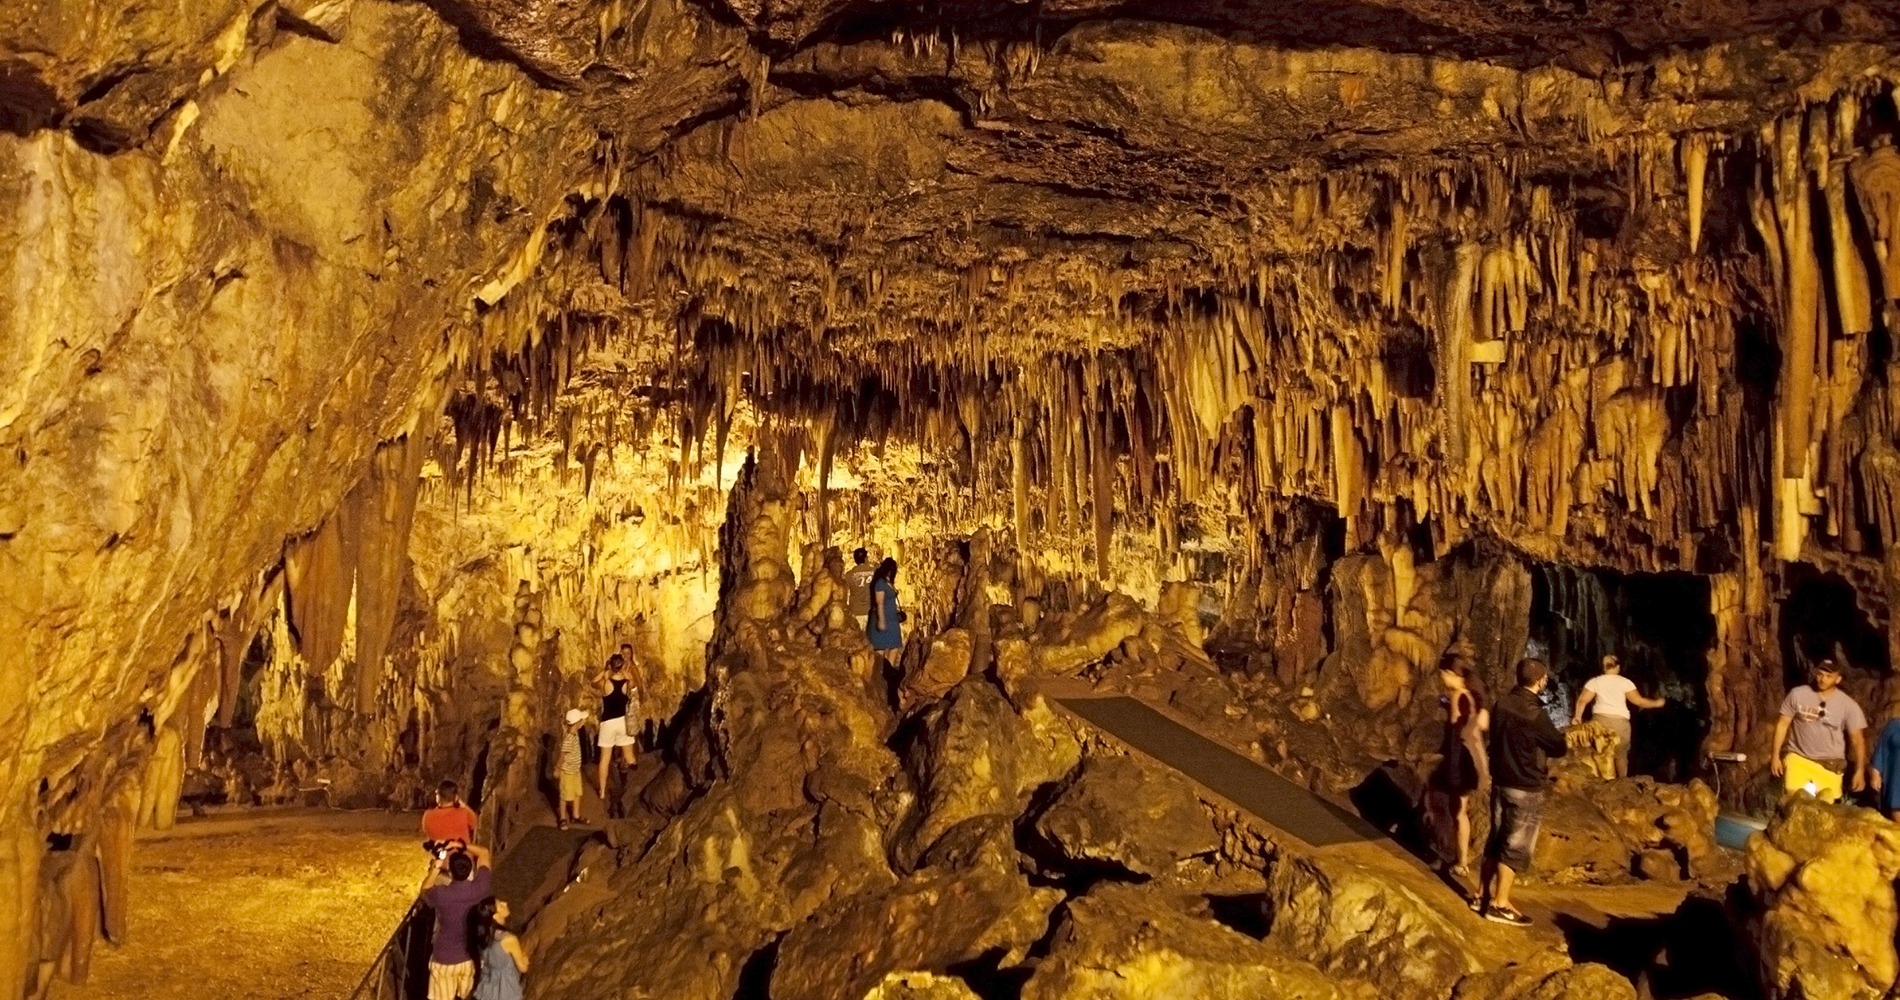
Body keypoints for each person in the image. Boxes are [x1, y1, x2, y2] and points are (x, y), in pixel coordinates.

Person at [1478, 658, 1568, 927]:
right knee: (1515, 846)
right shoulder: (1534, 713)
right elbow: (1557, 746)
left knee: (1496, 839)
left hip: (1501, 781)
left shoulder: (1501, 703)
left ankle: (1480, 894)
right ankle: (1500, 904)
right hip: (1525, 785)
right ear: (1540, 681)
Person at [1771, 659, 1869, 803]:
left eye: (1829, 676)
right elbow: (1782, 724)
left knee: (1826, 810)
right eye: (1820, 674)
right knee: (1793, 803)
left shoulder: (1848, 705)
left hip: (1830, 764)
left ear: (1838, 679)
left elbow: (1857, 740)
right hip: (1799, 759)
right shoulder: (1797, 694)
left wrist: (1860, 771)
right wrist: (1775, 756)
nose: (1823, 679)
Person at [1429, 654, 1489, 879]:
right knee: (1460, 811)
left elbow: (1455, 731)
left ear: (1452, 675)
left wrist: (1449, 767)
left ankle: (1446, 853)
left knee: (1444, 805)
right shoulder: (1475, 698)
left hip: (1459, 760)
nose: (1442, 678)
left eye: (1444, 674)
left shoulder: (1458, 697)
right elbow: (1480, 726)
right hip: (1472, 760)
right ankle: (1461, 861)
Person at [1570, 655, 1667, 778]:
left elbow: (1582, 700)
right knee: (1620, 755)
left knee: (1600, 752)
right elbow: (1639, 701)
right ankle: (1622, 781)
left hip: (1600, 721)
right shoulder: (1625, 682)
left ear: (1603, 667)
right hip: (1620, 723)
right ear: (1618, 666)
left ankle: (1600, 780)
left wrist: (1577, 717)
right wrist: (1657, 703)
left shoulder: (1595, 682)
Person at [420, 843, 494, 1000]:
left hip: (444, 958)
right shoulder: (481, 888)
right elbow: (484, 853)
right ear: (470, 870)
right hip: (470, 957)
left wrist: (436, 868)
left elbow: (424, 891)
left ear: (451, 873)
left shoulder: (441, 895)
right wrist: (460, 844)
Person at [468, 896, 529, 1000]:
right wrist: (525, 959)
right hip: (506, 989)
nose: (505, 903)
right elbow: (523, 967)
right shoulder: (509, 939)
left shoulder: (481, 936)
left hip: (487, 986)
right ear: (495, 916)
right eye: (500, 905)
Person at [596, 654, 639, 800]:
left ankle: (602, 791)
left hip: (608, 723)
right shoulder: (627, 683)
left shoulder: (606, 683)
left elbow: (592, 682)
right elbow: (633, 684)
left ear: (611, 666)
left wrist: (604, 672)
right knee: (629, 756)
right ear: (621, 667)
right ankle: (632, 780)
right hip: (622, 722)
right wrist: (626, 673)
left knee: (605, 758)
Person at [422, 781, 478, 854]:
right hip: (462, 854)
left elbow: (426, 831)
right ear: (456, 797)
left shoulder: (428, 815)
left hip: (439, 853)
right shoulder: (463, 813)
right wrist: (462, 804)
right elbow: (475, 822)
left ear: (438, 797)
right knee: (483, 853)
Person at [867, 557, 904, 663]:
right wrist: (881, 620)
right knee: (881, 650)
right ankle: (880, 674)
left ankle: (888, 670)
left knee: (894, 646)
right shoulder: (880, 583)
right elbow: (880, 602)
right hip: (883, 616)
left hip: (892, 619)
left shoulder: (889, 582)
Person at [556, 708, 585, 829]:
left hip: (575, 771)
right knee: (565, 796)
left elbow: (581, 721)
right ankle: (562, 818)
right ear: (577, 723)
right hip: (567, 772)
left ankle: (576, 816)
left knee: (577, 793)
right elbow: (562, 755)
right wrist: (557, 768)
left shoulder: (574, 733)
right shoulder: (569, 738)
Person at [846, 548, 876, 632]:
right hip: (870, 612)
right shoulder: (874, 572)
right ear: (866, 558)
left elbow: (844, 593)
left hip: (855, 612)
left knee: (857, 642)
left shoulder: (849, 574)